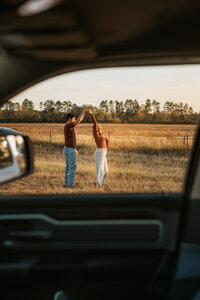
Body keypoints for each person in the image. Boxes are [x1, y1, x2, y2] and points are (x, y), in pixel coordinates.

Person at [63, 110, 88, 187]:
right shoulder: (69, 126)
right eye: (73, 119)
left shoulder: (66, 126)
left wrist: (75, 149)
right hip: (70, 150)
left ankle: (66, 183)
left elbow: (71, 140)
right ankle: (70, 184)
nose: (74, 120)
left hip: (67, 148)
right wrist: (83, 112)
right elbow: (78, 121)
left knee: (68, 166)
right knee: (72, 167)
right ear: (69, 119)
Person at [88, 109, 109, 186]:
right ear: (95, 128)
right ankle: (99, 184)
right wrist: (91, 114)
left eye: (99, 125)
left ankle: (103, 182)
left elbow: (106, 147)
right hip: (100, 152)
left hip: (103, 152)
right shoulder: (96, 134)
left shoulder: (101, 135)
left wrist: (107, 140)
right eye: (97, 126)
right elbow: (95, 122)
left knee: (106, 170)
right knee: (99, 169)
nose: (98, 125)